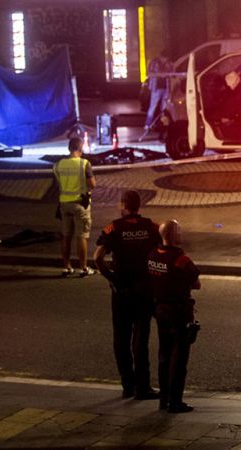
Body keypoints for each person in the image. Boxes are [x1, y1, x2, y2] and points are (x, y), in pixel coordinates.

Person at [94, 190, 162, 401]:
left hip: (122, 291)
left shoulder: (113, 228)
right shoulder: (151, 227)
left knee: (121, 338)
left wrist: (111, 277)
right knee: (141, 339)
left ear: (123, 204)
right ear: (139, 206)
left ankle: (128, 385)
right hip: (144, 290)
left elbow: (97, 258)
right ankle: (144, 387)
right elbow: (160, 254)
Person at [147, 220, 201, 413]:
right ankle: (175, 401)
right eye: (179, 230)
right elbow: (196, 283)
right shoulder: (181, 260)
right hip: (179, 311)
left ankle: (164, 398)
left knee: (164, 355)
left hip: (160, 309)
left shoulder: (153, 255)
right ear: (175, 234)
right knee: (179, 359)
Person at [53, 137, 96, 276]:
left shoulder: (58, 165)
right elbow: (92, 184)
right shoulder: (84, 164)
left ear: (69, 148)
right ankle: (83, 268)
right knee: (81, 236)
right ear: (81, 148)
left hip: (64, 205)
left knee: (66, 236)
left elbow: (57, 184)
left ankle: (66, 267)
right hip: (80, 205)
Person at [143, 50, 172, 139]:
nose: (165, 60)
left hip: (166, 88)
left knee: (164, 108)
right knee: (153, 106)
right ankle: (147, 125)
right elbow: (149, 73)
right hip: (156, 88)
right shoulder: (154, 63)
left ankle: (162, 126)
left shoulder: (168, 63)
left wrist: (167, 75)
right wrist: (159, 75)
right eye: (164, 59)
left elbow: (172, 72)